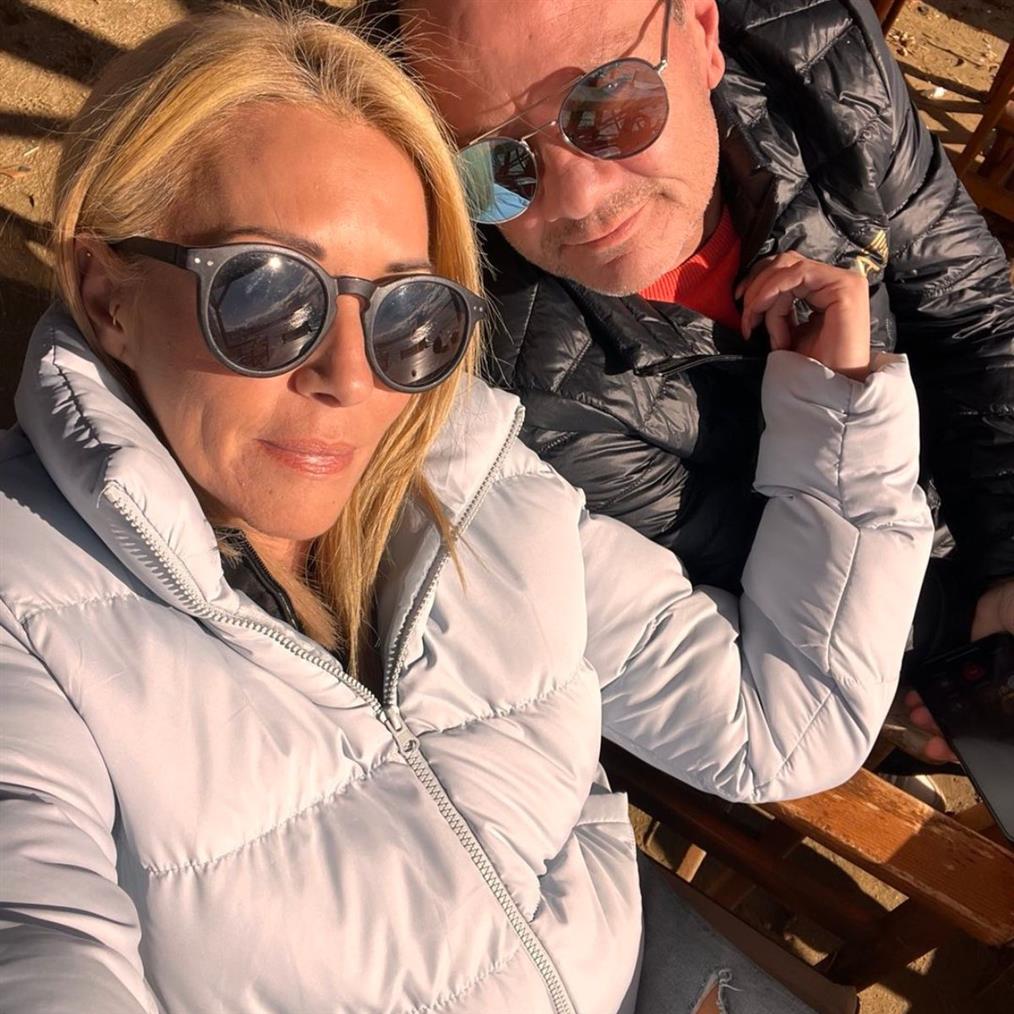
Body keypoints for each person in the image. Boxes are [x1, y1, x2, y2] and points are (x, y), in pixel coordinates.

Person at [0, 7, 932, 1013]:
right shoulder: (24, 605)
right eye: (265, 295)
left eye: (408, 311)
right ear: (108, 295)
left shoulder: (486, 485)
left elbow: (779, 726)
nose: (352, 377)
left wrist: (836, 422)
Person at [391, 0, 1014, 760]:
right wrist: (965, 648)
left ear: (705, 35)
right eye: (495, 165)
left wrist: (1006, 565)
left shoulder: (817, 54)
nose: (580, 198)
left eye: (609, 104)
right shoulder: (518, 376)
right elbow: (764, 585)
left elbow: (975, 316)